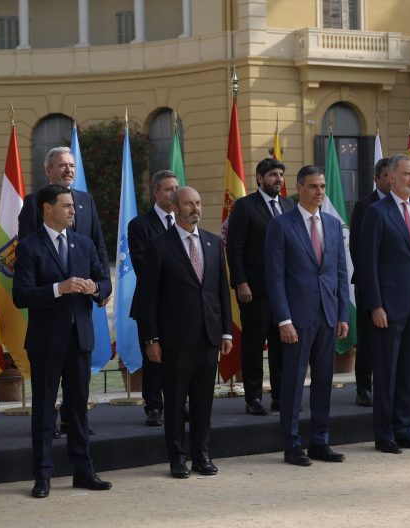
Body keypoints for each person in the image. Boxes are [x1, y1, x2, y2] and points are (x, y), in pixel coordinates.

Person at [13, 184, 113, 498]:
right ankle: (43, 476)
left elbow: (104, 281)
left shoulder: (84, 243)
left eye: (73, 205)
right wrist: (60, 288)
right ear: (47, 208)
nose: (73, 210)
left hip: (80, 338)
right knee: (44, 411)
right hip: (46, 341)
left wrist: (95, 289)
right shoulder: (29, 247)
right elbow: (21, 295)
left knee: (78, 409)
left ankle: (84, 471)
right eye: (67, 205)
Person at [136, 186, 232, 479]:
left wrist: (226, 332)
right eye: (189, 203)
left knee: (203, 402)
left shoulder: (213, 243)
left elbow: (221, 291)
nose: (195, 208)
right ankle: (177, 458)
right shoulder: (158, 245)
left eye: (198, 203)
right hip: (174, 339)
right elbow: (147, 298)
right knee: (176, 403)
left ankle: (201, 455)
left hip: (208, 337)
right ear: (175, 208)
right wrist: (151, 338)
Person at [18, 146, 109, 437]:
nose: (68, 169)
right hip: (50, 308)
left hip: (80, 306)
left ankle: (74, 419)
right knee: (47, 384)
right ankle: (49, 425)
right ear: (48, 170)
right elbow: (29, 249)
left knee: (78, 381)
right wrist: (57, 287)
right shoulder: (34, 202)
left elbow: (97, 243)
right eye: (61, 165)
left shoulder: (85, 200)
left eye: (71, 165)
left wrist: (101, 286)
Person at [265, 165, 350, 466]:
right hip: (296, 319)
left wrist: (342, 314)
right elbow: (274, 276)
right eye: (313, 186)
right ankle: (291, 445)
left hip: (328, 315)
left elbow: (340, 272)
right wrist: (284, 319)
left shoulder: (332, 224)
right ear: (299, 187)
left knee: (324, 382)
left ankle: (319, 442)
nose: (319, 192)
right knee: (292, 383)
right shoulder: (281, 225)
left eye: (322, 187)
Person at [360, 154, 410, 454]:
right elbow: (368, 264)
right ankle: (384, 434)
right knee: (387, 373)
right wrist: (375, 305)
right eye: (407, 174)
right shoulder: (376, 213)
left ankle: (405, 430)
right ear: (391, 178)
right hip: (388, 308)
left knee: (409, 372)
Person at [226, 158, 295, 415]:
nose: (278, 179)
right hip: (255, 291)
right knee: (254, 346)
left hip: (285, 292)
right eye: (273, 175)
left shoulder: (289, 205)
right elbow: (234, 248)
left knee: (282, 346)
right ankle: (253, 398)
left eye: (281, 175)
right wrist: (241, 282)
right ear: (259, 178)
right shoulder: (244, 206)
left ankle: (280, 397)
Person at [127, 170, 179, 427]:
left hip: (181, 304)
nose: (174, 193)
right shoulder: (140, 225)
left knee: (179, 359)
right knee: (153, 358)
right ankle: (154, 407)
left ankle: (177, 404)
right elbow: (141, 265)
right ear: (156, 192)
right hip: (151, 303)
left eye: (176, 188)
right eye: (168, 189)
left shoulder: (183, 221)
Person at [348, 157, 390, 407]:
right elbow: (357, 248)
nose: (391, 180)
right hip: (368, 284)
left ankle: (387, 387)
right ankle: (363, 389)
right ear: (376, 179)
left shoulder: (403, 205)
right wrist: (370, 280)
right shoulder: (365, 205)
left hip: (394, 286)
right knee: (367, 340)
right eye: (386, 176)